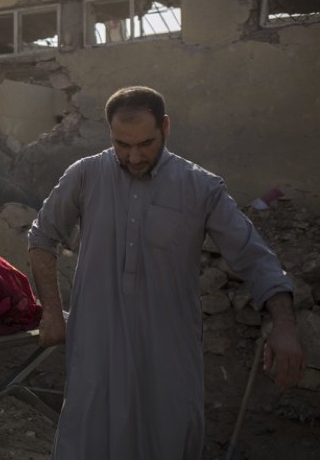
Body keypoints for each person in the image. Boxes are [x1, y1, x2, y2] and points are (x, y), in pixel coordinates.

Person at [27, 86, 304, 460]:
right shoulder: (85, 175)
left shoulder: (201, 187)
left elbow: (256, 259)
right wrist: (51, 311)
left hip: (167, 357)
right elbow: (42, 237)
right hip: (95, 352)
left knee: (167, 441)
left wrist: (284, 325)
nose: (134, 156)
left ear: (166, 128)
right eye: (122, 144)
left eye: (146, 143)